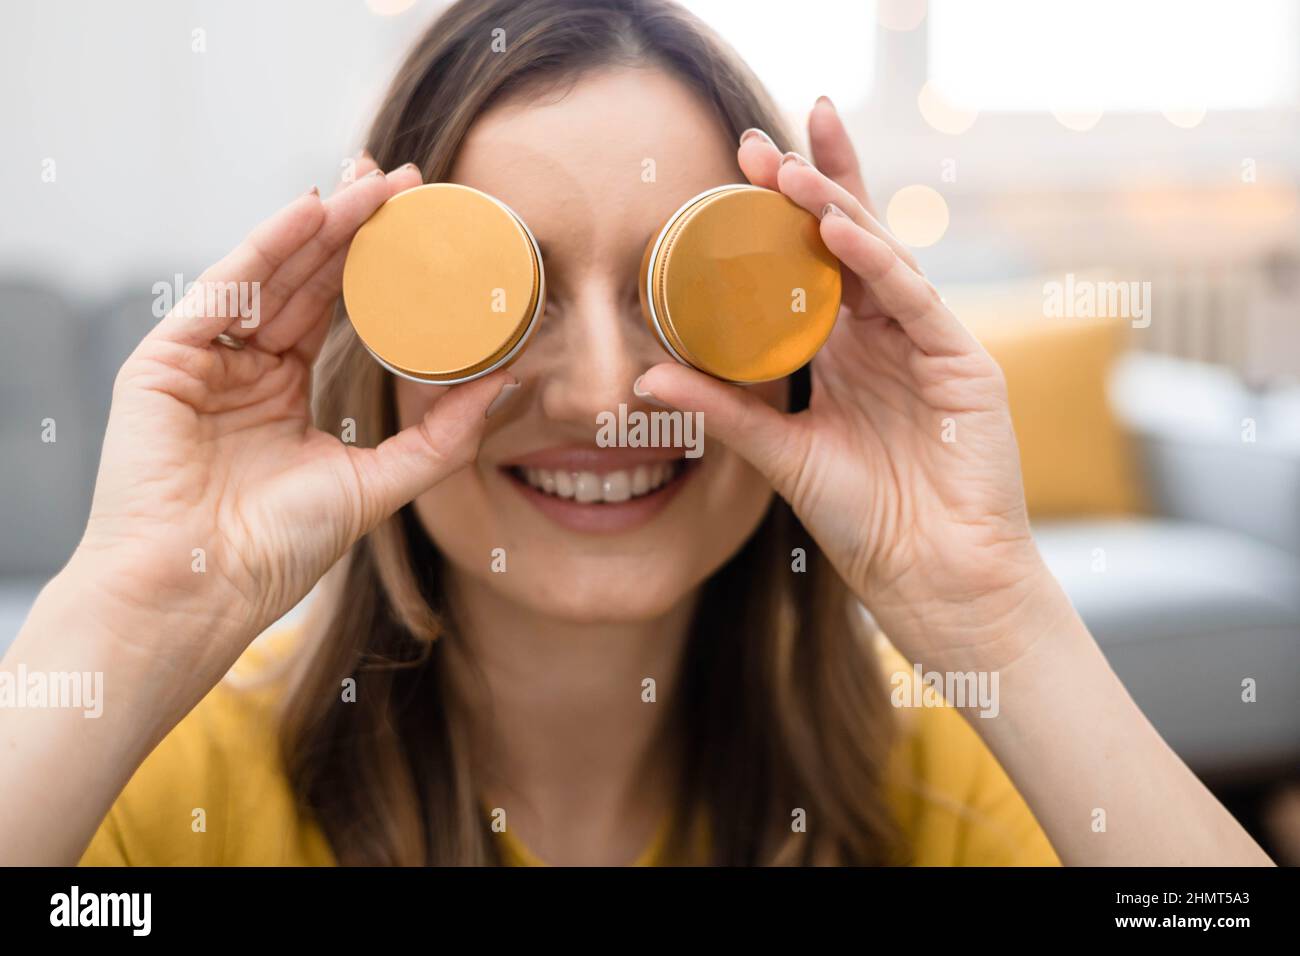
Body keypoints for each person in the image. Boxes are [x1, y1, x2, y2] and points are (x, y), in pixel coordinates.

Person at [1, 0, 1272, 866]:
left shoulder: (924, 781)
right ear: (377, 341)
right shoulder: (179, 792)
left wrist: (999, 610)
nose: (605, 388)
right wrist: (131, 614)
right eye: (509, 295)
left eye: (681, 295)